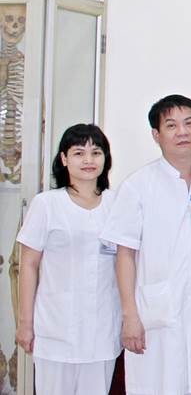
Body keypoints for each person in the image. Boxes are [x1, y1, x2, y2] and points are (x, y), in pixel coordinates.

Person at [100, 94, 191, 395]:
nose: (182, 132)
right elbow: (125, 255)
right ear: (156, 135)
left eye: (189, 123)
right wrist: (130, 316)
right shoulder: (138, 186)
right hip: (154, 314)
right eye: (171, 125)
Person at [15, 124, 120, 394]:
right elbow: (27, 265)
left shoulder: (117, 204)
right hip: (55, 329)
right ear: (64, 159)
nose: (88, 160)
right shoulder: (46, 204)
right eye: (78, 153)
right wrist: (25, 324)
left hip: (102, 331)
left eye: (96, 152)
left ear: (105, 159)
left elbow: (127, 264)